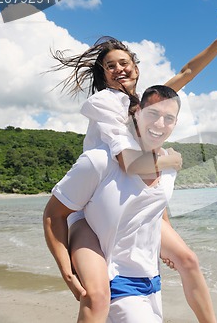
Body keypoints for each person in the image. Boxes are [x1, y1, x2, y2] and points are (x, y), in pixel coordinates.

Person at [48, 9, 217, 322]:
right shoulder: (107, 101)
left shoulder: (147, 107)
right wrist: (173, 160)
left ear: (136, 67)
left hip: (131, 197)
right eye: (110, 66)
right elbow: (130, 163)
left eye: (124, 63)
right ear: (103, 75)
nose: (118, 69)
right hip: (93, 203)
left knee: (187, 260)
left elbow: (187, 72)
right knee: (96, 298)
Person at [44, 85, 182, 322]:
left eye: (168, 118)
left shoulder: (165, 166)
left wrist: (167, 245)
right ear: (135, 113)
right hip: (116, 275)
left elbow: (156, 208)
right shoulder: (99, 160)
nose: (160, 123)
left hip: (149, 278)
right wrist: (66, 270)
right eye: (152, 114)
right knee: (98, 297)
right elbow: (54, 214)